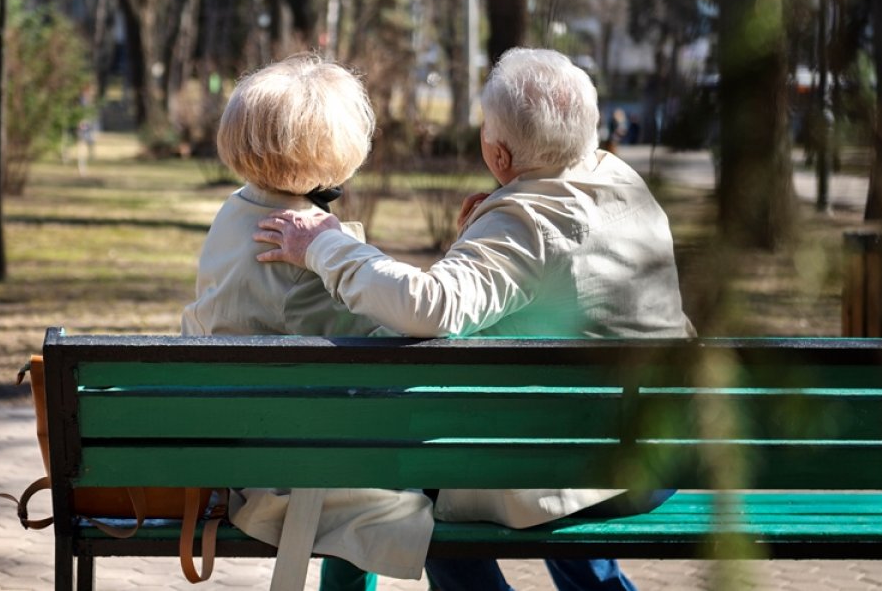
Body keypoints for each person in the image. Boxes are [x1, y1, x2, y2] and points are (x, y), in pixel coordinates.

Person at [254, 47, 695, 591]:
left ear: (501, 153)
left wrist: (325, 245)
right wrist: (482, 234)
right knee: (544, 451)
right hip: (666, 451)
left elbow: (430, 308)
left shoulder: (525, 224)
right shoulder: (621, 182)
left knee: (417, 486)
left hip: (598, 469)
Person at [182, 53, 433, 588]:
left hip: (231, 437)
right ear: (336, 148)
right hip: (281, 468)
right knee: (403, 496)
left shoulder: (235, 211)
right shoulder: (299, 248)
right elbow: (384, 346)